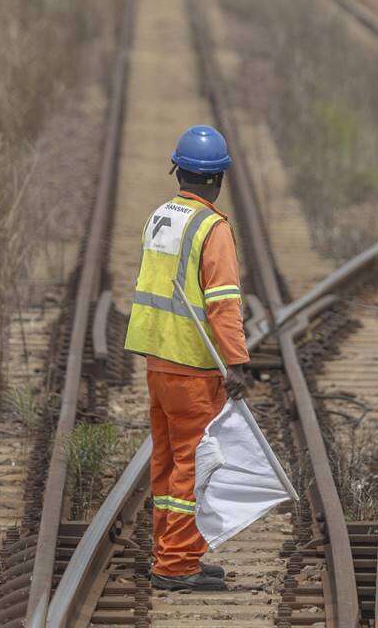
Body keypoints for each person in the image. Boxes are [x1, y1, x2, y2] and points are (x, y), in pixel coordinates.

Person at [123, 124, 255, 592]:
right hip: (193, 366)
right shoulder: (211, 228)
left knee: (167, 460)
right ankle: (176, 566)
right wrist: (235, 362)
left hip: (158, 360)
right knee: (192, 465)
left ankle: (173, 553)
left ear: (177, 170)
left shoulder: (161, 216)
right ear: (218, 180)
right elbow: (223, 301)